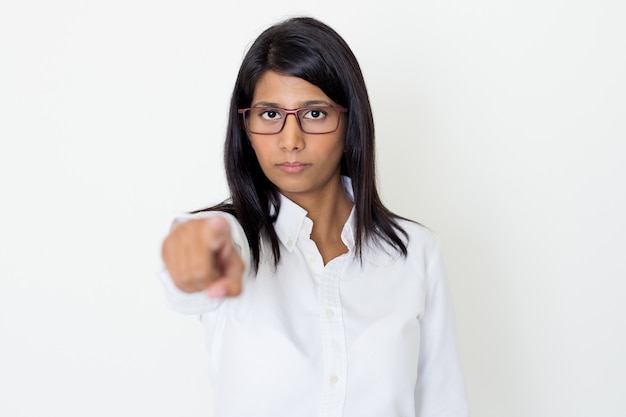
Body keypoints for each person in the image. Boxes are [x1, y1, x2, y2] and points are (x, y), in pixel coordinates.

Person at [160, 16, 469, 417]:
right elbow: (195, 262)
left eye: (315, 114)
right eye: (270, 115)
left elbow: (442, 402)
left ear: (349, 122)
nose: (291, 141)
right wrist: (196, 254)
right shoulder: (230, 237)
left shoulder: (415, 253)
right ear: (246, 127)